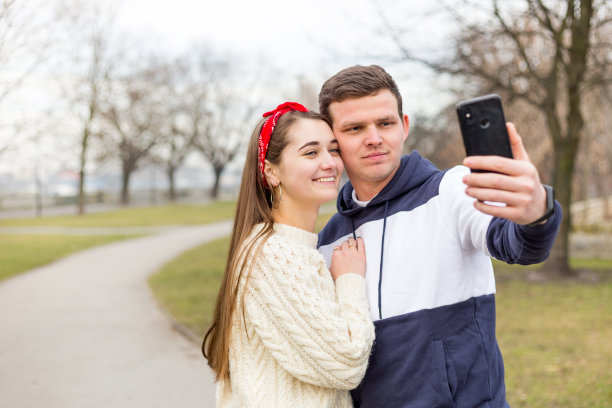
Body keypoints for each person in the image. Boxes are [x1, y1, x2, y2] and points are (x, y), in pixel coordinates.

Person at [316, 65, 562, 408]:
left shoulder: (453, 191)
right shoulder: (327, 241)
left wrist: (536, 211)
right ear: (332, 141)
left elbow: (518, 245)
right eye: (355, 128)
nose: (374, 138)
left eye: (385, 123)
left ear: (403, 126)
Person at [202, 102, 375, 407]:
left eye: (333, 150)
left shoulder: (290, 247)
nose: (330, 163)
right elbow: (346, 364)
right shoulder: (273, 256)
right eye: (311, 152)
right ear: (271, 172)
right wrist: (349, 282)